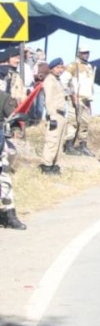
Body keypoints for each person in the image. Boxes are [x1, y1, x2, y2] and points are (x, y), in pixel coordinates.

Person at [0, 87, 26, 229]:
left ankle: (9, 214)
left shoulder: (2, 96)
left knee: (4, 179)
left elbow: (13, 116)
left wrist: (17, 125)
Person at [64, 47, 96, 157]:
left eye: (87, 52)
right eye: (83, 53)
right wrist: (72, 95)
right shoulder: (72, 66)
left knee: (84, 123)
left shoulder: (89, 66)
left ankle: (83, 145)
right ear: (79, 53)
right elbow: (64, 81)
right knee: (73, 121)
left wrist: (90, 99)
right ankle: (69, 145)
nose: (86, 55)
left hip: (86, 99)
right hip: (75, 97)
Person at [40, 58, 69, 175]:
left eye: (61, 68)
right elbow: (49, 100)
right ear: (51, 68)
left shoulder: (58, 80)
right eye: (57, 68)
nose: (60, 70)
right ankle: (46, 165)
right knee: (52, 141)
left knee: (59, 142)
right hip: (55, 114)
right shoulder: (50, 81)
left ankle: (54, 164)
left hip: (61, 114)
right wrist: (51, 116)